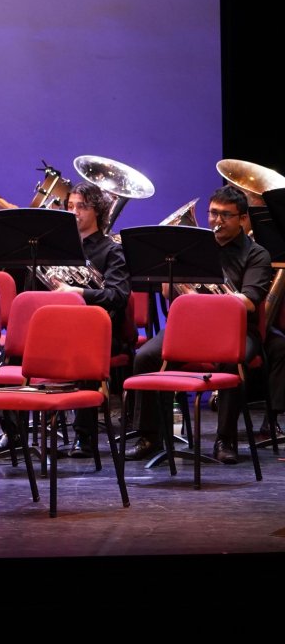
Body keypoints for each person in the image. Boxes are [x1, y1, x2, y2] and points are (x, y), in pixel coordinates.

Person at [126, 185, 273, 464]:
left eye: (225, 215)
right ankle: (149, 436)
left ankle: (225, 439)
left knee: (235, 360)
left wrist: (202, 299)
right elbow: (170, 293)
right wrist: (176, 281)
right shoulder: (193, 248)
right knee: (144, 357)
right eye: (213, 213)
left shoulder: (257, 255)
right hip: (191, 330)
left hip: (237, 331)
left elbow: (248, 301)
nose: (217, 221)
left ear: (243, 219)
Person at [48, 184, 132, 459]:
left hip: (102, 334)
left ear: (97, 211)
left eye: (81, 206)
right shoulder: (58, 248)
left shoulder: (112, 251)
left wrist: (80, 292)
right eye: (70, 206)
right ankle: (13, 435)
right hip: (61, 329)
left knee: (83, 351)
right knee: (14, 356)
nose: (73, 212)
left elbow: (118, 296)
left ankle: (84, 437)